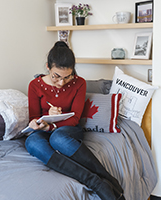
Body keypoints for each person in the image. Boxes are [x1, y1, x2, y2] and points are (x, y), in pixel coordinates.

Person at [25, 41, 125, 200]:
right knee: (31, 143)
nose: (61, 82)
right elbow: (33, 118)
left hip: (68, 129)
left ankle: (105, 177)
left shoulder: (79, 83)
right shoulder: (35, 85)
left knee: (58, 138)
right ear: (48, 67)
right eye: (56, 76)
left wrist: (52, 127)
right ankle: (96, 182)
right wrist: (36, 123)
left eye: (67, 77)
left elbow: (75, 118)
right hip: (43, 130)